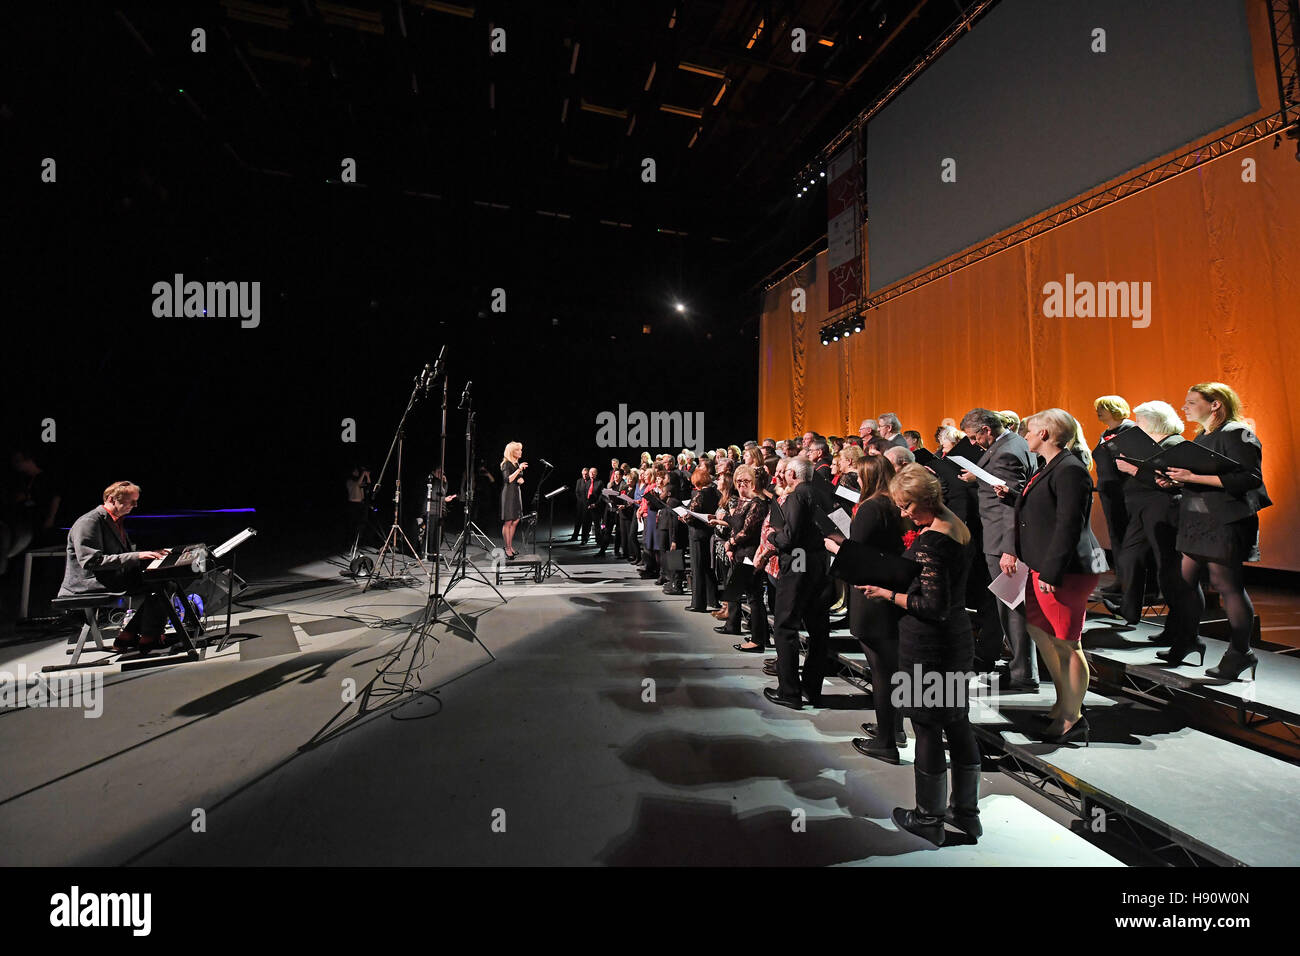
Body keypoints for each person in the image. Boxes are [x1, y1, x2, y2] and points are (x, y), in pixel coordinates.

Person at [864, 465, 979, 846]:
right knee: (958, 722)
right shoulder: (956, 525)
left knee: (927, 726)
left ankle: (929, 818)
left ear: (928, 500)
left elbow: (931, 606)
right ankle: (966, 812)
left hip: (930, 645)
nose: (903, 513)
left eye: (907, 505)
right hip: (957, 640)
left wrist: (887, 594)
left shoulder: (933, 541)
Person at [998, 410, 1105, 743]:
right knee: (1041, 632)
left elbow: (1069, 525)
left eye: (1029, 431)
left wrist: (1052, 570)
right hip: (1042, 564)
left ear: (1045, 433)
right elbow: (1044, 512)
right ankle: (1062, 704)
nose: (1024, 435)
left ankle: (1073, 717)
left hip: (1063, 570)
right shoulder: (1051, 467)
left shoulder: (1070, 470)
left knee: (1068, 644)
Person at [1163, 383, 1272, 680]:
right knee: (1183, 580)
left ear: (1215, 405)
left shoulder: (1236, 433)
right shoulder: (1204, 435)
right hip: (1199, 520)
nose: (1184, 407)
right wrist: (1179, 481)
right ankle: (1188, 638)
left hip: (1225, 520)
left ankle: (1240, 652)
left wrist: (1192, 476)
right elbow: (1206, 476)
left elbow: (1249, 478)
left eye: (1191, 402)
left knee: (1227, 585)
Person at [826, 456, 906, 761]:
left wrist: (835, 546)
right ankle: (893, 728)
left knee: (882, 672)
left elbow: (858, 555)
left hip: (872, 596)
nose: (852, 482)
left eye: (855, 477)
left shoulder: (872, 506)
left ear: (868, 476)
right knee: (889, 669)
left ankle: (886, 741)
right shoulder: (889, 503)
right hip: (885, 591)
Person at [960, 407, 1038, 689]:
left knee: (1013, 608)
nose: (971, 443)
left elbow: (1011, 509)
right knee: (1009, 607)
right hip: (998, 540)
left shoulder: (1006, 452)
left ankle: (1023, 674)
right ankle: (1021, 667)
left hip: (1003, 544)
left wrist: (1010, 549)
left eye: (972, 437)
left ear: (986, 430)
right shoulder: (1011, 443)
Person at [58, 481, 172, 654]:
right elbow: (91, 561)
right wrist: (137, 556)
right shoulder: (89, 522)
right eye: (131, 501)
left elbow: (120, 556)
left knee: (163, 582)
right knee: (161, 585)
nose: (135, 505)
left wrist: (149, 555)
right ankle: (148, 639)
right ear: (111, 499)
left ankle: (130, 635)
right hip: (88, 584)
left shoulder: (115, 521)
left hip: (110, 578)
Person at [762, 458, 831, 709]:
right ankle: (812, 689)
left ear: (791, 473)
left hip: (798, 562)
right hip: (820, 563)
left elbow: (789, 537)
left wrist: (771, 535)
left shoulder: (796, 497)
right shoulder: (823, 495)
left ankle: (789, 691)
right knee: (818, 630)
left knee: (785, 625)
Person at [1112, 401, 1186, 630]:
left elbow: (1167, 481)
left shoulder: (1174, 443)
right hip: (1142, 508)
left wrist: (1132, 469)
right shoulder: (1150, 444)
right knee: (1129, 558)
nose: (1137, 425)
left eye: (1140, 421)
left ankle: (1178, 625)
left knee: (1167, 565)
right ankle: (1129, 607)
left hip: (1162, 508)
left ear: (1154, 421)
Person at [711, 464, 770, 648]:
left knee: (754, 598)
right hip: (740, 553)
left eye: (745, 481)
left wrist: (731, 542)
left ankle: (758, 640)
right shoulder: (744, 502)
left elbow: (747, 531)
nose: (741, 485)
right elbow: (736, 524)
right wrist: (730, 543)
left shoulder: (758, 504)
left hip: (750, 554)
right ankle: (760, 637)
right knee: (747, 595)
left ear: (753, 482)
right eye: (738, 481)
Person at [1092, 396, 1136, 598]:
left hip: (1125, 491)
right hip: (1109, 492)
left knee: (1127, 536)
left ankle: (1132, 581)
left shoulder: (1129, 430)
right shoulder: (1105, 433)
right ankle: (1121, 579)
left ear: (1115, 409)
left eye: (1102, 408)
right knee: (1116, 536)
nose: (1098, 412)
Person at [681, 467, 721, 611]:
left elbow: (691, 517)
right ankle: (713, 600)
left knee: (697, 569)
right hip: (709, 534)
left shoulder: (700, 495)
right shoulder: (715, 492)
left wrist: (684, 518)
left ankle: (698, 604)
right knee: (709, 569)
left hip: (697, 535)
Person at [500, 441, 527, 558]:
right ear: (512, 452)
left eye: (520, 449)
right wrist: (519, 470)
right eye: (518, 450)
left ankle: (510, 546)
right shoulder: (506, 464)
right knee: (508, 521)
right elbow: (508, 479)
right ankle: (507, 548)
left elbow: (516, 479)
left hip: (516, 493)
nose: (520, 452)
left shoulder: (516, 464)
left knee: (516, 520)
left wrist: (521, 480)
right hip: (509, 495)